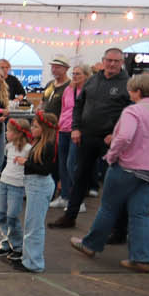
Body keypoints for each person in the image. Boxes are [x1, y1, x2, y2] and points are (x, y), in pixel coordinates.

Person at [71, 73, 149, 272]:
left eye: (131, 90)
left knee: (109, 207)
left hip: (129, 166)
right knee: (140, 213)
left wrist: (111, 155)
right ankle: (142, 258)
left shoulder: (132, 111)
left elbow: (124, 137)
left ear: (137, 91)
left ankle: (91, 245)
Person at [54, 47, 132, 227]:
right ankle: (70, 216)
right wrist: (76, 128)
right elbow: (78, 105)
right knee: (79, 175)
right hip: (87, 136)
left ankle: (117, 228)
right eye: (109, 60)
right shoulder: (93, 80)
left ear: (122, 63)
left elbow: (129, 113)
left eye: (116, 61)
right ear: (103, 61)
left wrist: (116, 133)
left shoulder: (127, 84)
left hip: (111, 139)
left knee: (115, 181)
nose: (112, 64)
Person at [16, 108, 57, 273]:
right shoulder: (40, 144)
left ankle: (34, 262)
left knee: (34, 226)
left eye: (35, 126)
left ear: (44, 129)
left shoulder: (48, 146)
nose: (32, 129)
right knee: (31, 224)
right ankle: (28, 258)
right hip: (34, 185)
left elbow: (44, 169)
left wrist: (25, 162)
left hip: (39, 186)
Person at [0, 114, 32, 259]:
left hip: (17, 185)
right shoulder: (9, 146)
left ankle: (18, 246)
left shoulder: (28, 149)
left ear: (18, 133)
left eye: (9, 131)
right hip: (4, 182)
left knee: (12, 215)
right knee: (1, 214)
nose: (6, 133)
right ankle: (6, 244)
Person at [51, 64, 87, 209]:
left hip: (76, 130)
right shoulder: (68, 89)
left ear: (86, 76)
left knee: (72, 164)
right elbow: (64, 109)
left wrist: (79, 129)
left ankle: (78, 200)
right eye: (74, 74)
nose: (75, 76)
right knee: (62, 165)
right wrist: (59, 127)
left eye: (78, 74)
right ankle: (65, 196)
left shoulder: (88, 91)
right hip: (63, 128)